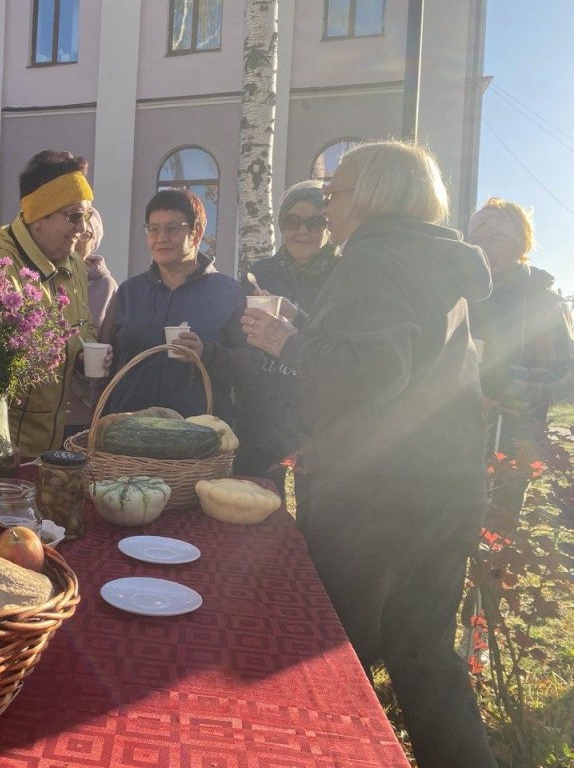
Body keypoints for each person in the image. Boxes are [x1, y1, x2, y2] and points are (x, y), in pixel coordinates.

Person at [241, 141, 497, 768]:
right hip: (443, 489)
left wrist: (286, 340)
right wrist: (311, 326)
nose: (326, 207)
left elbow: (373, 372)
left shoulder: (374, 258)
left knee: (332, 660)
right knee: (424, 654)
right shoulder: (432, 259)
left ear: (377, 195)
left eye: (337, 192)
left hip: (372, 499)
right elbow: (401, 358)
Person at [0, 150, 98, 457]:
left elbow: (85, 327)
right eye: (74, 216)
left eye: (87, 215)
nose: (83, 229)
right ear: (39, 218)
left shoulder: (75, 265)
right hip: (1, 451)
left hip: (49, 450)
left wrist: (82, 354)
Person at [98, 188, 246, 427]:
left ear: (196, 233)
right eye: (153, 229)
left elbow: (248, 366)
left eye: (172, 228)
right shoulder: (130, 291)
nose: (161, 238)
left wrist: (206, 353)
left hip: (197, 437)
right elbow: (107, 357)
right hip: (129, 436)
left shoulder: (228, 293)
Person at [468, 198, 574, 519]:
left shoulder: (544, 303)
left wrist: (503, 383)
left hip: (513, 441)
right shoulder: (460, 296)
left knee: (497, 530)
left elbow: (566, 380)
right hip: (452, 437)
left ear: (520, 244)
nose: (484, 248)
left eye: (495, 239)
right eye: (476, 241)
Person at [233, 181, 339, 491]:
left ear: (329, 225)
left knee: (310, 515)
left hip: (316, 418)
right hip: (260, 412)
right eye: (292, 221)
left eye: (315, 221)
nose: (302, 231)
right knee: (253, 503)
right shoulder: (261, 272)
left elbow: (343, 344)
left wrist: (298, 319)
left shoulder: (343, 275)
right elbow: (238, 336)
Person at [65, 207, 118, 435]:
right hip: (40, 407)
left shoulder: (106, 286)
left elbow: (109, 340)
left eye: (86, 235)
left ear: (94, 241)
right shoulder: (44, 277)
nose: (77, 239)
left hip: (83, 407)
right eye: (74, 230)